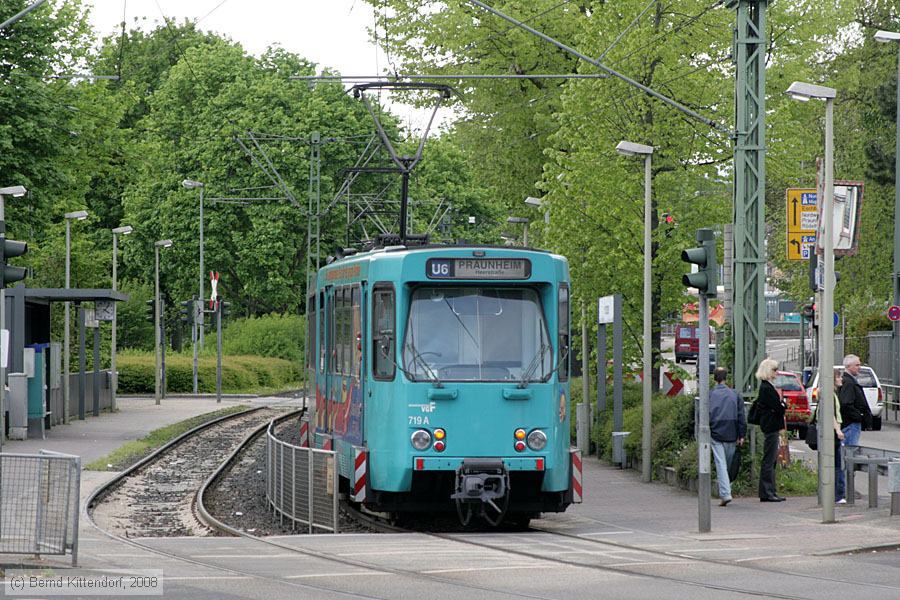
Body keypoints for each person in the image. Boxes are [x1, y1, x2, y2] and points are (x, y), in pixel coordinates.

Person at [709, 367, 745, 506]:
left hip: (716, 432)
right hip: (732, 432)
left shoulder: (710, 395)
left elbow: (704, 413)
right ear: (726, 377)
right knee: (727, 464)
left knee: (721, 464)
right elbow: (741, 416)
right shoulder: (735, 395)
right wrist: (741, 434)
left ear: (714, 378)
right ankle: (726, 489)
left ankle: (725, 493)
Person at [755, 358, 786, 502]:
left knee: (772, 459)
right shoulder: (767, 388)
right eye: (774, 370)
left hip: (770, 425)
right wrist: (783, 405)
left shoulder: (767, 387)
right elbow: (779, 408)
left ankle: (770, 491)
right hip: (771, 426)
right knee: (769, 459)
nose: (777, 372)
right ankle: (767, 491)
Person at [839, 354, 872, 447]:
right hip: (850, 423)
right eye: (857, 365)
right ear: (848, 366)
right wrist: (859, 416)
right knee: (850, 450)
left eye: (859, 365)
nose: (859, 367)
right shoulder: (849, 383)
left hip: (850, 422)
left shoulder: (848, 381)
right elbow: (845, 403)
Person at [830, 370, 847, 504]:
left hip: (833, 432)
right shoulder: (831, 395)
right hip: (834, 433)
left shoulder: (832, 394)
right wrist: (838, 430)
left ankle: (835, 494)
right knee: (837, 465)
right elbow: (831, 414)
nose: (841, 379)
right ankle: (837, 495)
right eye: (839, 377)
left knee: (835, 464)